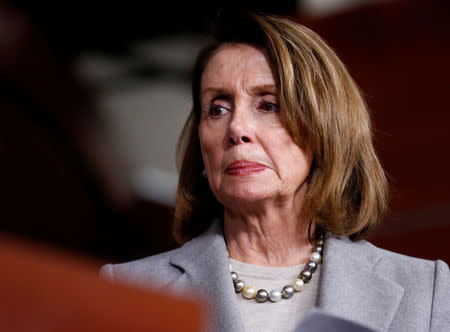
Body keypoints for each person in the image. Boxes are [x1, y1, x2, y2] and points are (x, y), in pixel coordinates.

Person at [100, 11, 449, 332]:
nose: (237, 128)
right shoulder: (127, 289)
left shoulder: (427, 290)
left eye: (268, 105)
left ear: (324, 129)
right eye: (217, 109)